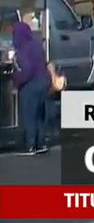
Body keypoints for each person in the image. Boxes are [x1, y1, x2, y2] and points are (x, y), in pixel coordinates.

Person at [11, 11, 51, 155]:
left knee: (29, 115)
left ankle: (30, 145)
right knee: (40, 115)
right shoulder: (36, 44)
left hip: (31, 84)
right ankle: (41, 143)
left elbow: (26, 70)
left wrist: (16, 83)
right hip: (44, 81)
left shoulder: (22, 49)